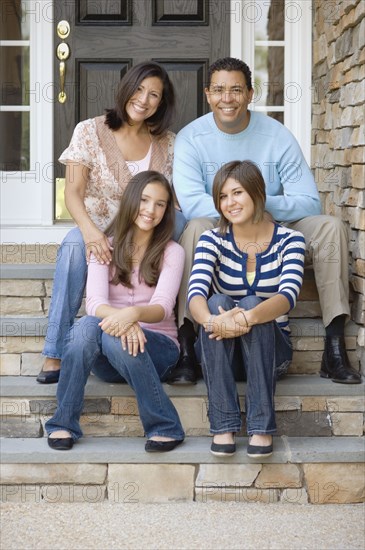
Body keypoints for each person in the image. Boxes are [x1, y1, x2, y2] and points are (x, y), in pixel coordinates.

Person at [168, 56, 361, 386]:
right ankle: (188, 347)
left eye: (236, 90)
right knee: (194, 227)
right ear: (207, 94)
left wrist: (258, 204)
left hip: (272, 226)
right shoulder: (191, 138)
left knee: (330, 227)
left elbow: (308, 201)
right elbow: (193, 202)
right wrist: (240, 207)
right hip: (219, 228)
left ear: (250, 93)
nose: (227, 98)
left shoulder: (276, 135)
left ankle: (334, 347)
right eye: (219, 90)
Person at [38, 61, 186, 384]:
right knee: (75, 247)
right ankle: (54, 352)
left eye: (154, 95)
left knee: (185, 227)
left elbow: (173, 199)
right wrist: (92, 234)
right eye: (138, 89)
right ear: (125, 89)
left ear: (161, 103)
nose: (144, 100)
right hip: (99, 229)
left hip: (145, 235)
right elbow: (73, 193)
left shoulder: (168, 143)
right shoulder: (90, 131)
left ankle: (177, 339)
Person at [45, 170, 185, 452]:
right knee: (87, 326)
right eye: (145, 200)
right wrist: (123, 321)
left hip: (158, 351)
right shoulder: (104, 247)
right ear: (131, 201)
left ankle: (165, 426)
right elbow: (95, 303)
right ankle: (64, 422)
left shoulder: (172, 251)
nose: (151, 210)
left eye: (160, 204)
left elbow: (161, 308)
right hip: (109, 360)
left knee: (108, 332)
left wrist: (132, 315)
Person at [188, 160, 306, 457]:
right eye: (223, 197)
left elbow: (287, 296)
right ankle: (224, 426)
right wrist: (214, 322)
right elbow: (195, 296)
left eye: (237, 192)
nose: (230, 203)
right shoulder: (211, 239)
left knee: (256, 302)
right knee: (216, 302)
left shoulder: (290, 240)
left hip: (270, 355)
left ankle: (261, 427)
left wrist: (246, 317)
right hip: (220, 352)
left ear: (257, 192)